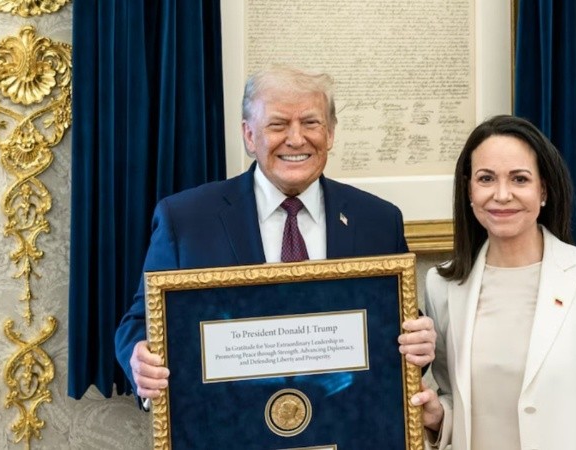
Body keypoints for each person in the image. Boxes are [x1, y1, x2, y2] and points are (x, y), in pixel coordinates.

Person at [114, 65, 435, 402]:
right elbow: (140, 322)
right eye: (278, 125)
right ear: (250, 135)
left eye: (311, 123)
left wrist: (420, 342)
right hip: (228, 428)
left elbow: (397, 327)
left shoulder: (378, 220)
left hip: (345, 424)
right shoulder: (186, 220)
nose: (296, 139)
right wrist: (140, 360)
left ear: (331, 132)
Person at [410, 115, 576, 449]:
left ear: (544, 191)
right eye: (486, 179)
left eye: (520, 179)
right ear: (469, 190)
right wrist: (438, 416)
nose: (502, 194)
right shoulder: (443, 284)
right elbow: (455, 395)